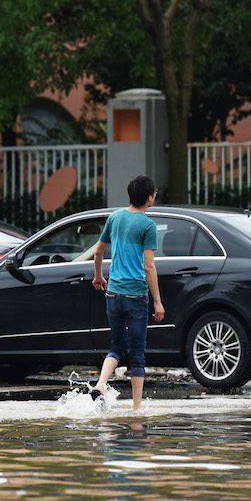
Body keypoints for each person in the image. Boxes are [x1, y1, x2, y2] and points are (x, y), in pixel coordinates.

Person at [88, 175, 165, 411]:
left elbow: (98, 252)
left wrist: (99, 276)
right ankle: (136, 410)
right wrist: (158, 301)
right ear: (149, 197)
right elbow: (149, 266)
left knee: (117, 347)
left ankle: (101, 384)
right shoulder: (148, 226)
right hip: (135, 295)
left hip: (113, 293)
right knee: (137, 354)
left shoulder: (115, 217)